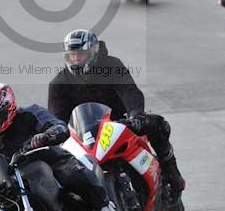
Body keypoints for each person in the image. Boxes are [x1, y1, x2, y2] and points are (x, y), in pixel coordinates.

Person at [0, 82, 119, 211]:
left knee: (71, 173)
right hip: (14, 181)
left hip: (48, 161)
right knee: (0, 208)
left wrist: (46, 136)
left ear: (9, 108)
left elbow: (59, 127)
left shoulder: (30, 114)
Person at [47, 30, 185, 193]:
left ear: (93, 52)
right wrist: (55, 135)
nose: (76, 59)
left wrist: (136, 114)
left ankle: (171, 170)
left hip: (120, 123)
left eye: (81, 54)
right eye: (72, 54)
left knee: (158, 125)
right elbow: (57, 119)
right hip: (85, 135)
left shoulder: (112, 65)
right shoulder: (58, 83)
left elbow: (129, 91)